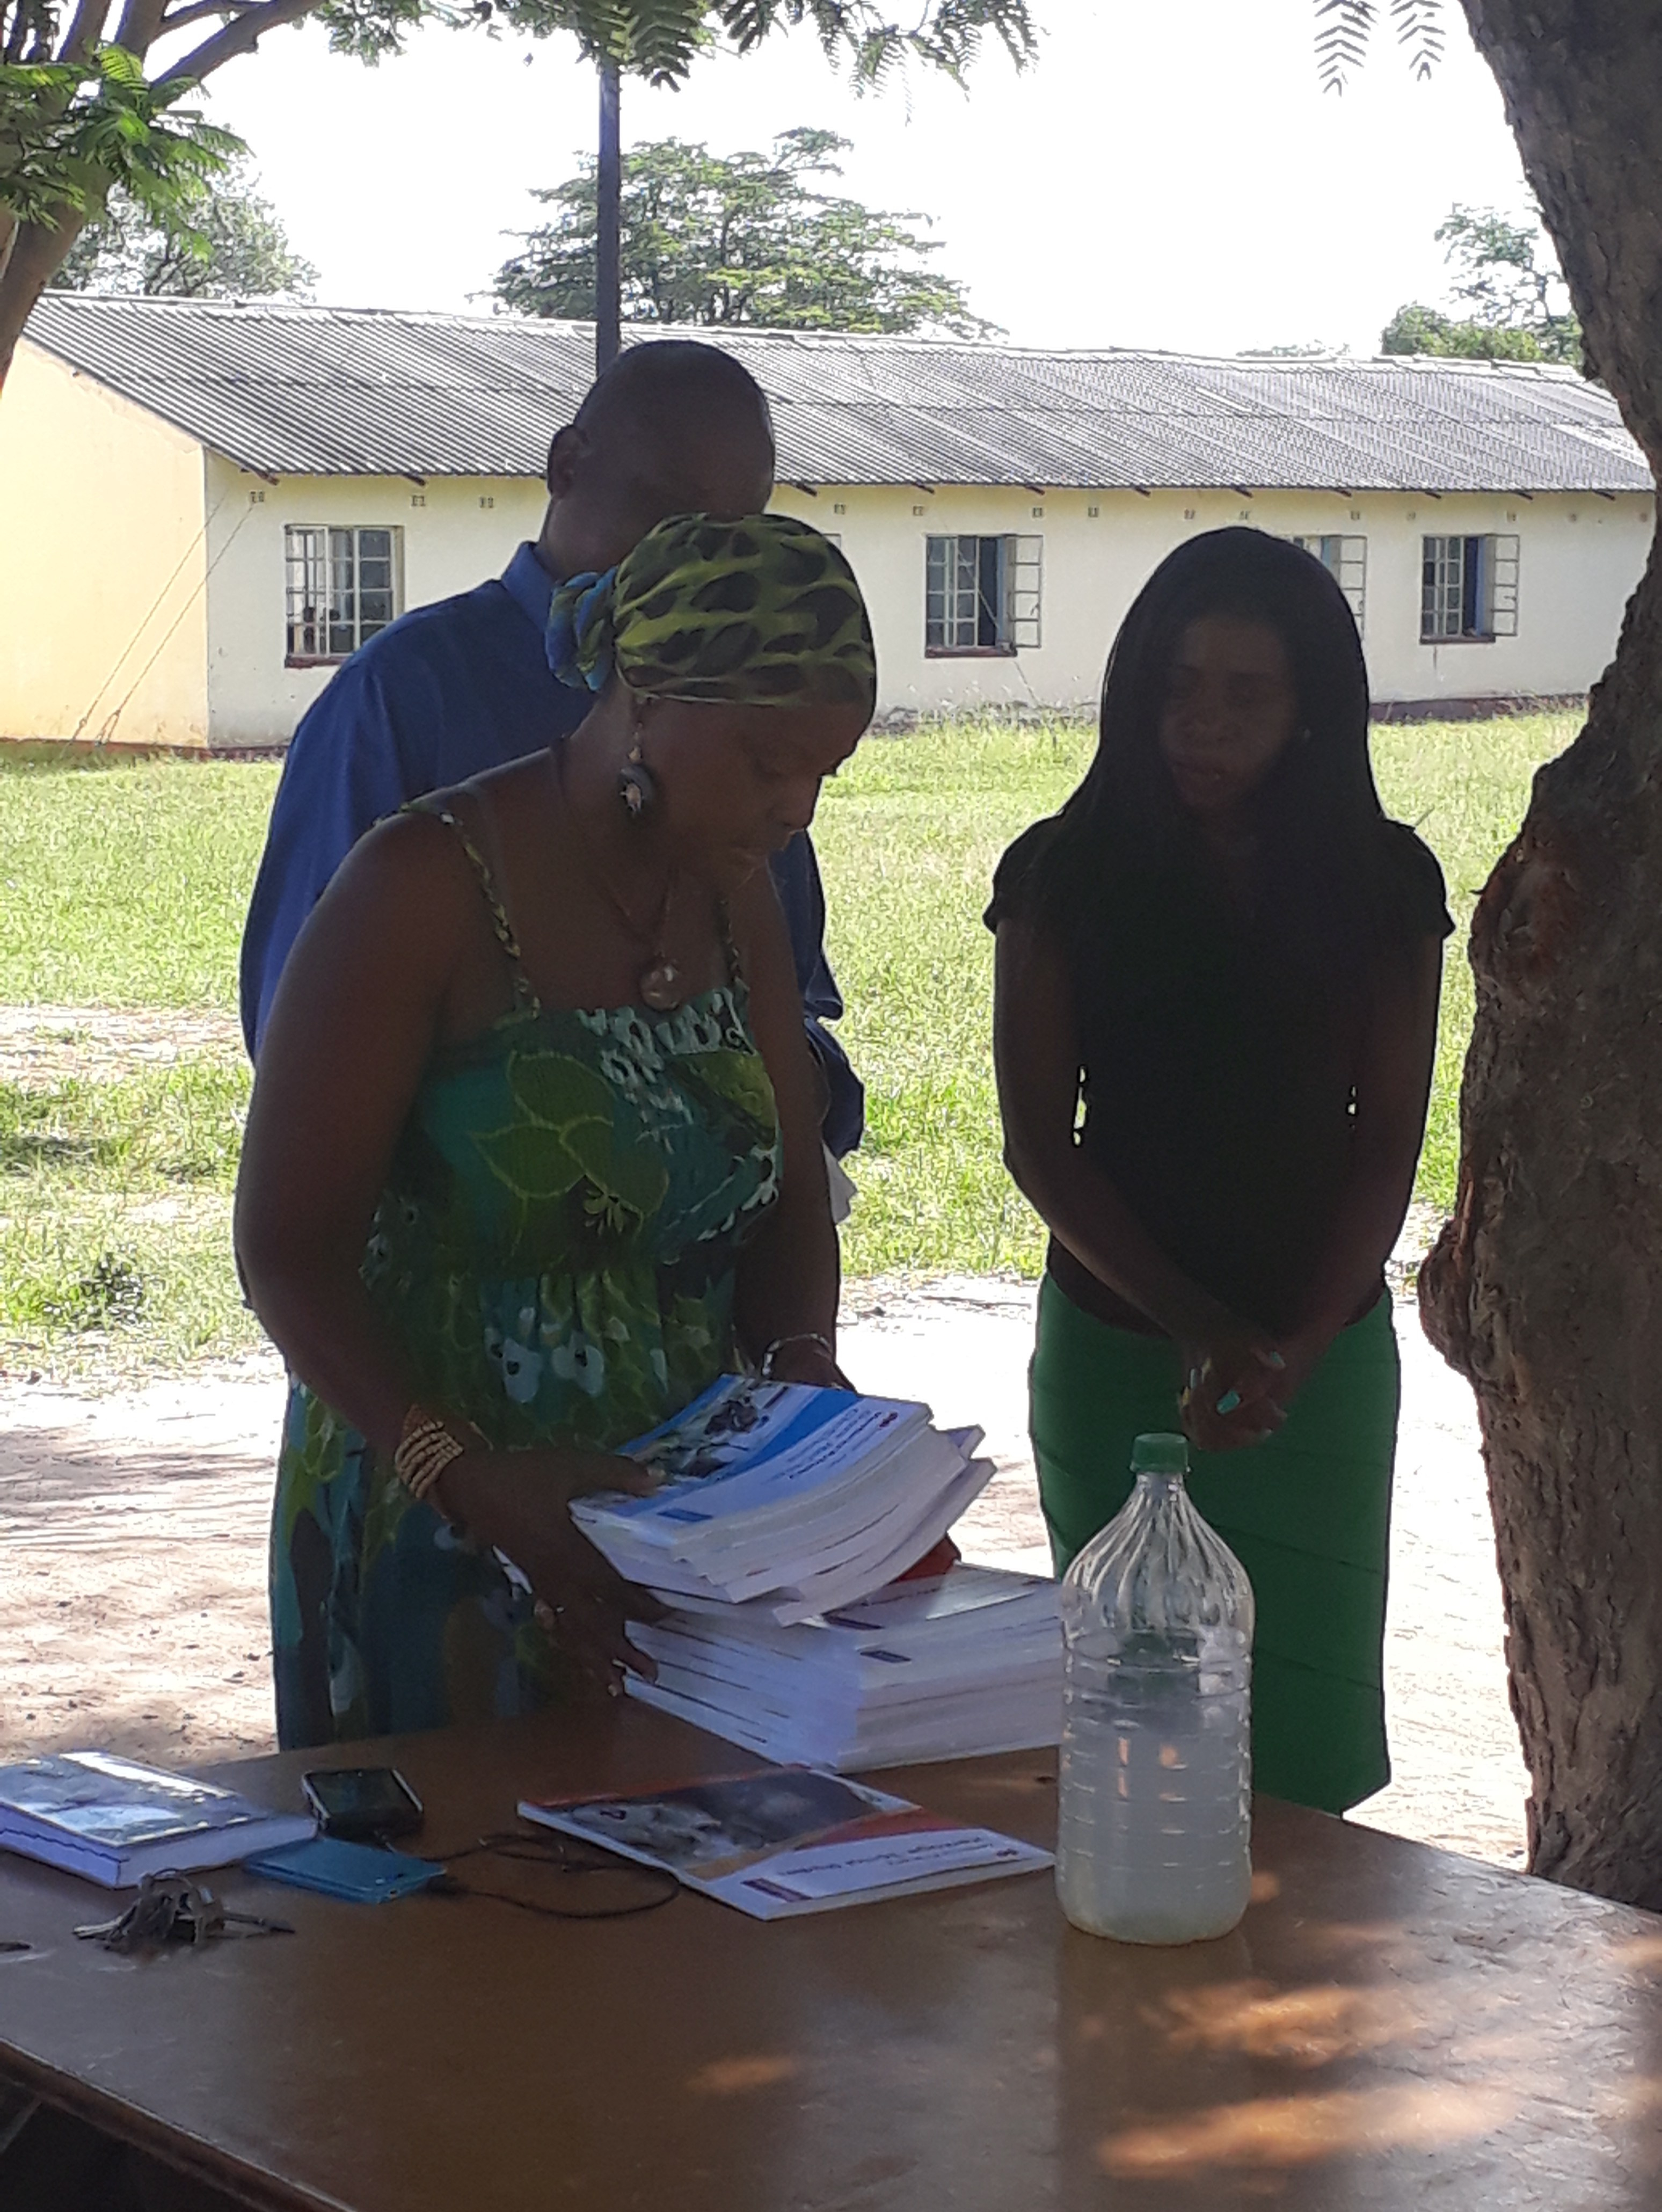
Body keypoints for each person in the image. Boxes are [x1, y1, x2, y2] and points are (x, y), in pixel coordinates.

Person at [234, 512, 877, 1749]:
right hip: (440, 1519)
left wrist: (802, 1374)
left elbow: (791, 1191)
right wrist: (460, 1471)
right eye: (765, 762)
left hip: (673, 1546)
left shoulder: (735, 894)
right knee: (460, 1863)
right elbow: (287, 1251)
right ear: (648, 699)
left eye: (825, 775)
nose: (795, 808)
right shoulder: (420, 887)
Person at [989, 528, 1449, 1816]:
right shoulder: (1061, 873)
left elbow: (1386, 1142)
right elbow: (1039, 1142)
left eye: (1249, 692)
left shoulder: (1385, 883)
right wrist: (1197, 1328)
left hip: (1323, 1367)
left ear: (1312, 710)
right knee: (1133, 1726)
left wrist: (1293, 1348)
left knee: (1300, 1741)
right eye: (1179, 684)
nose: (1204, 721)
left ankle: (1301, 1955)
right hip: (1118, 1350)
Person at [239, 340, 864, 1160]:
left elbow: (796, 1015)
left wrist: (767, 1090)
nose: (693, 565)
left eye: (733, 536)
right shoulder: (405, 697)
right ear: (565, 465)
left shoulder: (741, 730)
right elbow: (302, 1043)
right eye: (667, 514)